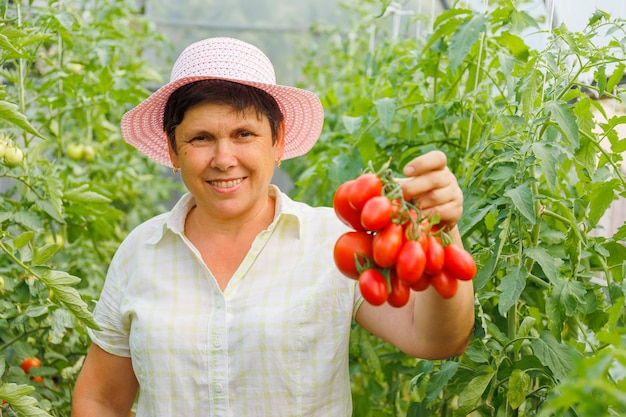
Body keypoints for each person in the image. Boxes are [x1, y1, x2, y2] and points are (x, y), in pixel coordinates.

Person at [71, 37, 474, 417]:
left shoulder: (333, 243)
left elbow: (437, 339)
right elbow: (100, 398)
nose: (224, 158)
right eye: (200, 138)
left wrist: (441, 232)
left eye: (244, 134)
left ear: (278, 142)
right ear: (174, 151)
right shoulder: (141, 251)